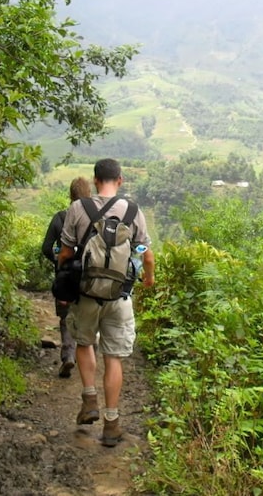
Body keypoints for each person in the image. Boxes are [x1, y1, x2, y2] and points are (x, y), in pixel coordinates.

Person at [57, 158, 155, 447]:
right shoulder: (133, 210)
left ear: (95, 179)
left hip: (86, 293)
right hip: (119, 295)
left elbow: (64, 253)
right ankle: (111, 423)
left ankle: (89, 399)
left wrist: (65, 277)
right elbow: (146, 256)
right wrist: (147, 279)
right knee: (114, 357)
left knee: (85, 342)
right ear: (120, 180)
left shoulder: (78, 208)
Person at [42, 176, 93, 378]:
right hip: (90, 276)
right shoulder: (98, 218)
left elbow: (46, 248)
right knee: (89, 315)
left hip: (66, 277)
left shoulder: (60, 217)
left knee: (66, 318)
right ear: (89, 195)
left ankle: (69, 356)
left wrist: (58, 262)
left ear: (70, 195)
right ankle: (89, 359)